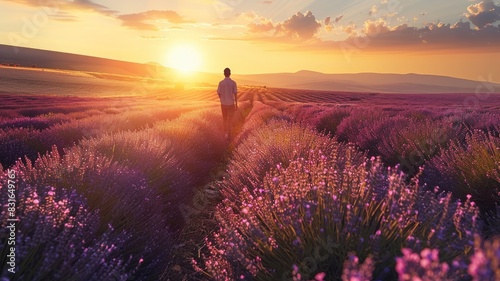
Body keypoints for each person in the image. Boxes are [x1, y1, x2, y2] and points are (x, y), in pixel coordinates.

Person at [217, 67, 238, 140]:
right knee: (230, 120)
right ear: (230, 74)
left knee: (224, 119)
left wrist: (222, 98)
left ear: (224, 74)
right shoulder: (233, 83)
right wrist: (236, 104)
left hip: (223, 104)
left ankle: (225, 134)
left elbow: (218, 93)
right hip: (231, 104)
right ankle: (230, 136)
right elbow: (235, 94)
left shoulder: (221, 83)